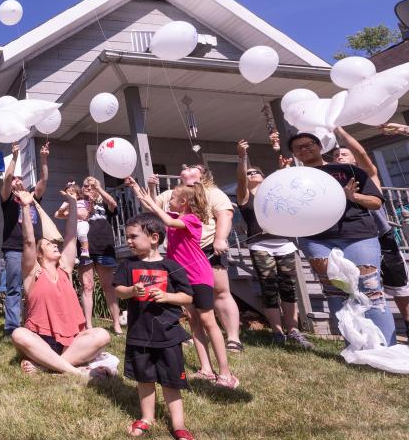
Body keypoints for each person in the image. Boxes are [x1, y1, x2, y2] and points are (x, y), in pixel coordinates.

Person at [128, 176, 239, 389]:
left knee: (208, 320)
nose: (169, 201)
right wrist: (139, 191)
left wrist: (152, 203)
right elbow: (156, 214)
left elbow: (168, 221)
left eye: (173, 198)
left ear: (184, 203)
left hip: (198, 275)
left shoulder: (192, 220)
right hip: (181, 276)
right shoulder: (175, 215)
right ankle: (206, 369)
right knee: (193, 320)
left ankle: (225, 372)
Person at [288, 131, 396, 345]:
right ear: (294, 154)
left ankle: (385, 347)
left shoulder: (348, 169)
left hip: (357, 234)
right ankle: (354, 346)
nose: (305, 148)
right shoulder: (294, 179)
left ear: (319, 146)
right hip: (316, 239)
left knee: (370, 288)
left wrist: (354, 197)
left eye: (309, 144)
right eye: (299, 147)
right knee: (336, 291)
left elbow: (376, 203)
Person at [9, 188, 111, 378]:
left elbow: (72, 234)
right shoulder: (32, 273)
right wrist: (25, 206)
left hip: (71, 342)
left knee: (103, 335)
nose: (55, 245)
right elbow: (29, 241)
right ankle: (75, 371)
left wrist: (72, 203)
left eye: (55, 244)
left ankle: (46, 365)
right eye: (49, 245)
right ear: (39, 254)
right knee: (18, 334)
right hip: (41, 340)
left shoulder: (65, 269)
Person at [114, 212, 196, 440]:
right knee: (145, 379)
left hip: (168, 334)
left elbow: (187, 297)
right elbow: (118, 289)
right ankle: (147, 418)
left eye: (133, 236)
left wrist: (167, 296)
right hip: (139, 334)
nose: (128, 241)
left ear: (153, 237)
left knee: (172, 381)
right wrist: (131, 291)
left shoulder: (170, 265)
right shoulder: (128, 265)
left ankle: (179, 426)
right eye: (127, 237)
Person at [149, 164, 242, 352]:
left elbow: (225, 215)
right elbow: (153, 207)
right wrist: (150, 188)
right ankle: (199, 335)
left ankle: (233, 338)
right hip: (181, 253)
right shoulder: (173, 193)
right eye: (183, 165)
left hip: (207, 247)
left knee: (220, 291)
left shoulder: (213, 192)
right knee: (187, 298)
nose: (184, 166)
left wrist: (221, 239)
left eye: (192, 166)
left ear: (203, 174)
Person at [235, 139, 313, 348]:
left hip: (284, 243)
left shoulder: (275, 192)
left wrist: (284, 170)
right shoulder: (244, 195)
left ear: (264, 177)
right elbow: (241, 178)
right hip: (260, 245)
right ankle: (278, 332)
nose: (252, 175)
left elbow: (290, 189)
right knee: (269, 287)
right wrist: (242, 157)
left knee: (288, 287)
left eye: (255, 172)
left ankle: (294, 330)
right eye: (249, 173)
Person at [56, 176, 121, 334]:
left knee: (108, 286)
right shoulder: (77, 204)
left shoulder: (103, 204)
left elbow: (113, 204)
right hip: (85, 249)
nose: (88, 188)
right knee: (87, 286)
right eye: (86, 185)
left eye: (92, 186)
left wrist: (98, 189)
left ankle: (117, 324)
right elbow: (60, 214)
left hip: (104, 246)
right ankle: (88, 325)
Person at [0, 141, 49, 337]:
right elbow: (7, 179)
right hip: (13, 248)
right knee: (14, 288)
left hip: (34, 249)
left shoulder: (31, 198)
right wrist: (14, 157)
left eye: (20, 178)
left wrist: (44, 158)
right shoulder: (6, 199)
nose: (16, 180)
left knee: (36, 287)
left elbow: (44, 180)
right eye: (14, 179)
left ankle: (34, 323)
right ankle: (12, 327)